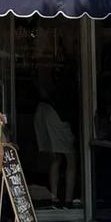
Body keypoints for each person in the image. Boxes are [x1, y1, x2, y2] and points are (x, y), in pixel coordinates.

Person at [34, 80, 78, 209]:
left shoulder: (46, 83)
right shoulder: (62, 84)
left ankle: (54, 197)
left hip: (46, 110)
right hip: (57, 114)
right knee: (70, 158)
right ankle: (68, 200)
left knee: (55, 158)